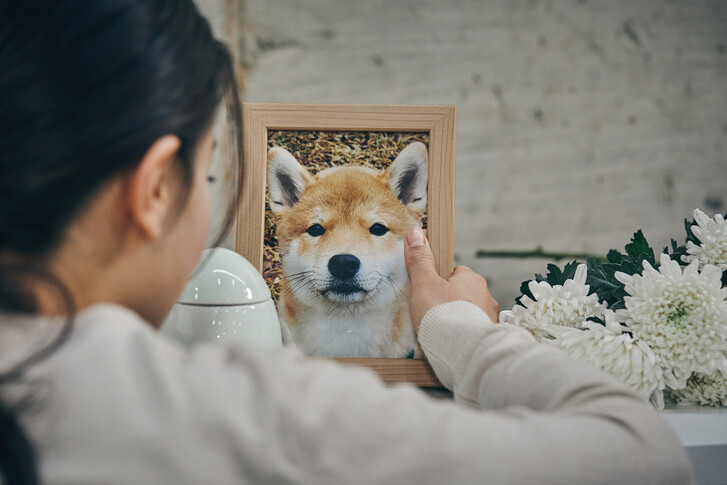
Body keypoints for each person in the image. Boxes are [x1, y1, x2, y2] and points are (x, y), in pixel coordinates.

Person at [0, 1, 692, 484]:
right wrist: (464, 332)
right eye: (206, 171)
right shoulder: (245, 414)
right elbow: (645, 458)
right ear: (153, 190)